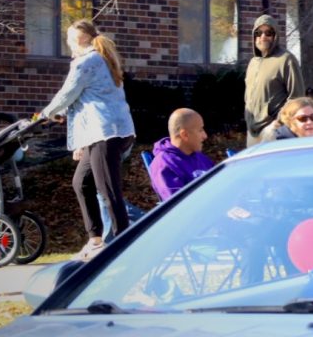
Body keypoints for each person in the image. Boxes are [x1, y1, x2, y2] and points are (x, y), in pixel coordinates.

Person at [38, 19, 137, 260]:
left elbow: (68, 93)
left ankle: (122, 244)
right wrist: (61, 116)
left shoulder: (86, 61)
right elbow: (84, 97)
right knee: (81, 182)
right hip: (107, 132)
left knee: (108, 188)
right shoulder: (102, 58)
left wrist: (46, 113)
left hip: (106, 133)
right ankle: (95, 239)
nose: (68, 43)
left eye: (70, 38)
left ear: (80, 40)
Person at [244, 15, 304, 147]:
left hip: (273, 130)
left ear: (275, 36)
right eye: (259, 33)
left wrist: (277, 123)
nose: (263, 36)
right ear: (254, 36)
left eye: (268, 32)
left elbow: (296, 97)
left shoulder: (286, 59)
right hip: (252, 131)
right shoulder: (253, 63)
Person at [149, 108, 215, 200]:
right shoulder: (164, 165)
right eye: (200, 130)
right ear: (184, 135)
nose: (205, 136)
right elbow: (178, 204)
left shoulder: (200, 157)